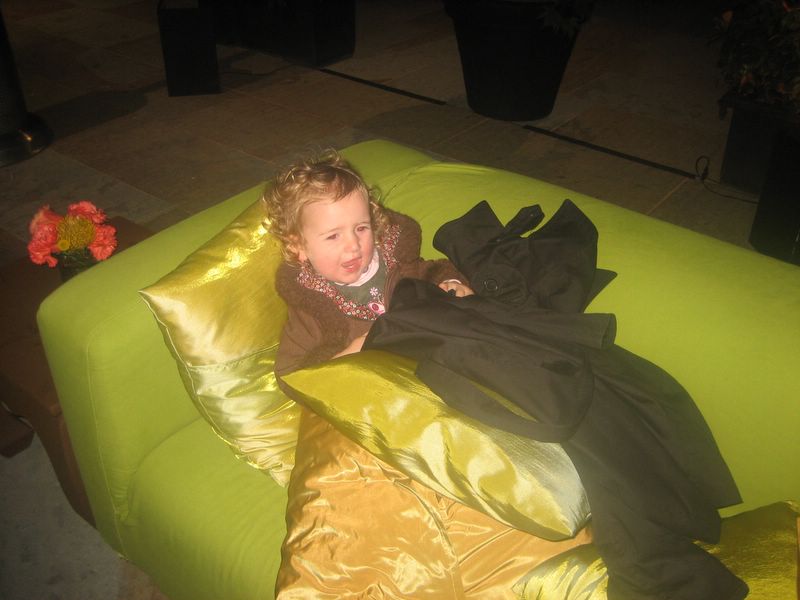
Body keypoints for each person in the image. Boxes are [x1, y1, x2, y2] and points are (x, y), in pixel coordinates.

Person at [263, 149, 473, 376]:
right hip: (385, 384)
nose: (353, 245)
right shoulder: (311, 306)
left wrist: (452, 283)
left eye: (361, 228)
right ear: (299, 247)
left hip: (436, 357)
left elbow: (431, 270)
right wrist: (351, 353)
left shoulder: (394, 260)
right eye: (333, 236)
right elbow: (291, 375)